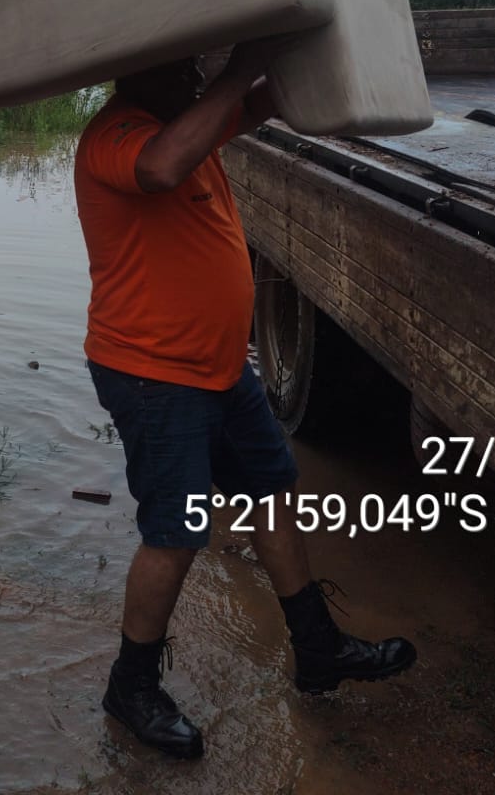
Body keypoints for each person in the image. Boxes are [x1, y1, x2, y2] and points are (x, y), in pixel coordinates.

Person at [74, 41, 416, 759]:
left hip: (222, 369)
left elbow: (262, 102)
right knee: (176, 530)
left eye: (203, 68)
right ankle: (131, 686)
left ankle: (318, 649)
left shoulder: (191, 123)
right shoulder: (119, 133)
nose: (200, 76)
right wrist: (233, 73)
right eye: (188, 66)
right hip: (154, 373)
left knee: (270, 494)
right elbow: (162, 165)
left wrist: (292, 49)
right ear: (147, 69)